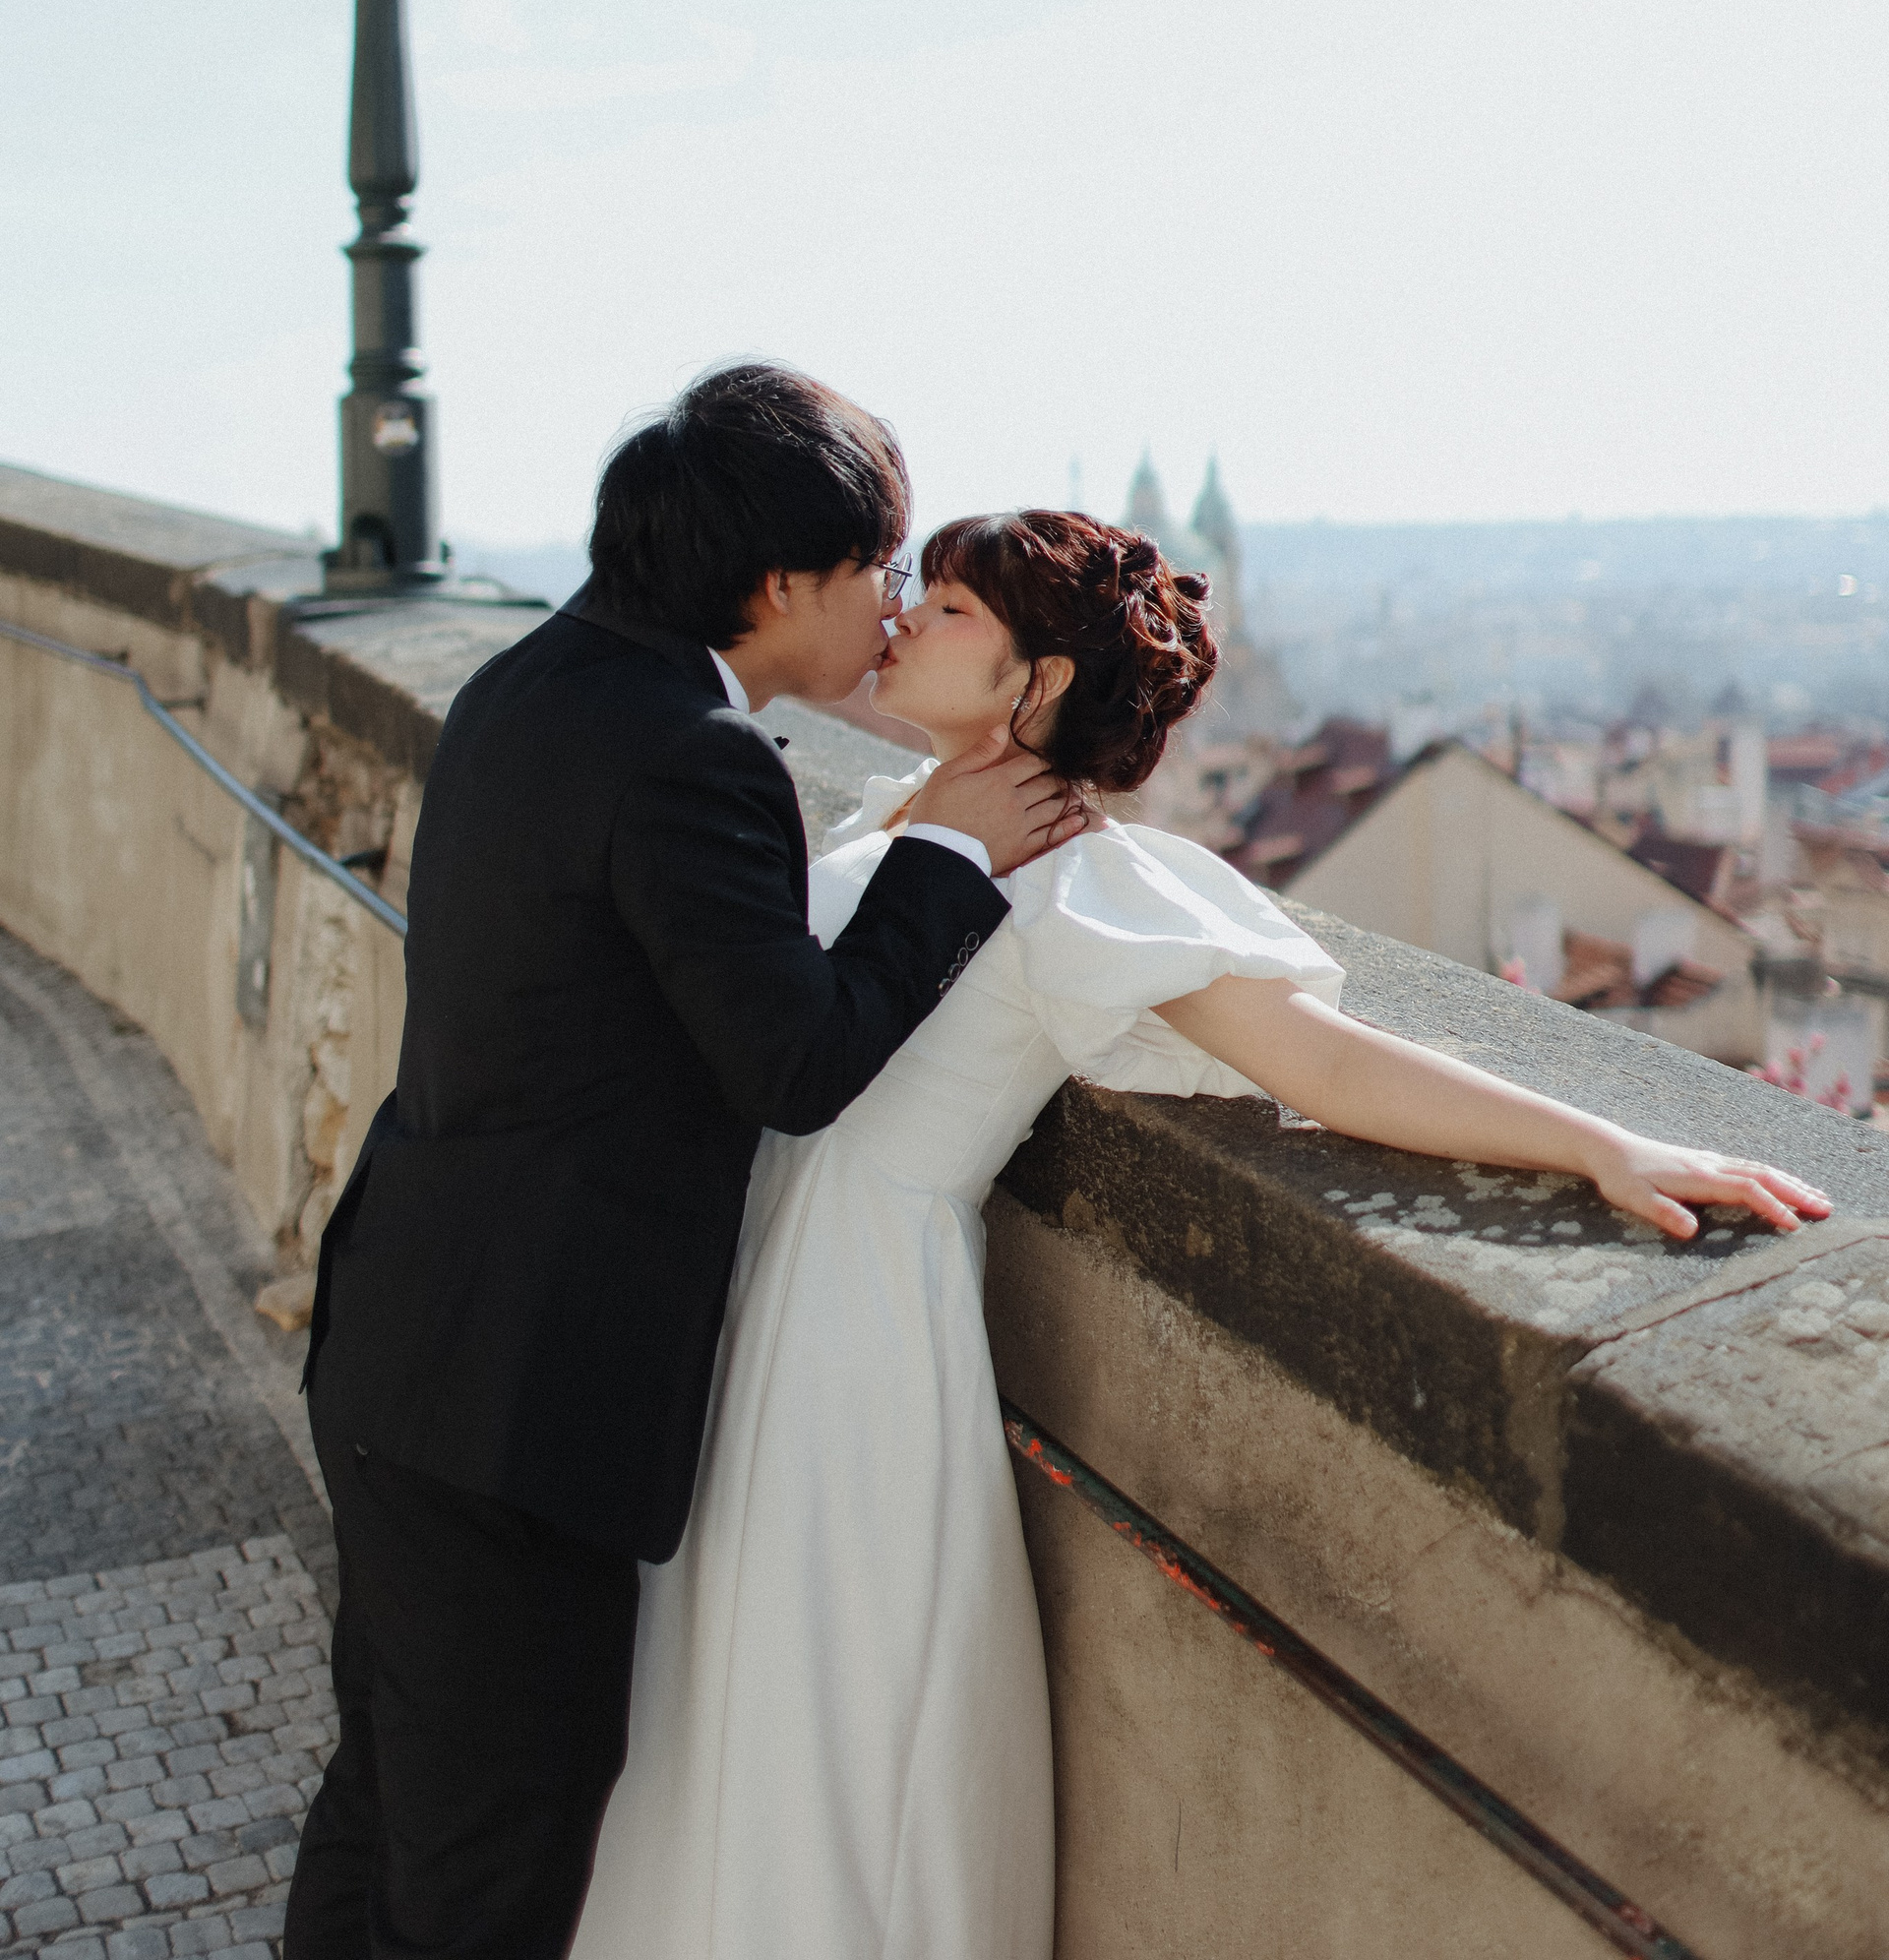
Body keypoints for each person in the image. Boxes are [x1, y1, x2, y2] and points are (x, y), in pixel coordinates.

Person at [573, 508, 1830, 1960]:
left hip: (853, 1318)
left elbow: (1323, 1065)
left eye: (956, 608)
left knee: (821, 1704)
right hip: (747, 1282)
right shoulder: (909, 815)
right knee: (713, 1691)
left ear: (1041, 681)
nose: (906, 613)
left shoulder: (1082, 877)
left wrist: (1605, 1143)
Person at [282, 369, 1087, 1960]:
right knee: (488, 1871)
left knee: (383, 1799)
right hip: (515, 1405)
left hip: (404, 1339)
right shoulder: (692, 756)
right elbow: (797, 1063)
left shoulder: (530, 681)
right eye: (877, 567)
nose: (894, 604)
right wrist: (948, 851)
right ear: (778, 584)